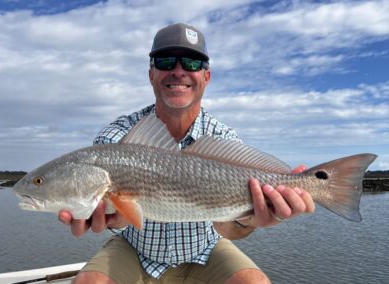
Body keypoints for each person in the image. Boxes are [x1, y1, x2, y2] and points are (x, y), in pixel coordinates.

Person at [59, 23, 315, 284]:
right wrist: (114, 219)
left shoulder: (224, 139)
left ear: (206, 76)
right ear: (151, 73)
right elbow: (117, 216)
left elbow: (227, 228)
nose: (179, 71)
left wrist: (252, 218)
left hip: (204, 251)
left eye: (192, 63)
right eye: (166, 61)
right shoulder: (116, 138)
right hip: (135, 251)